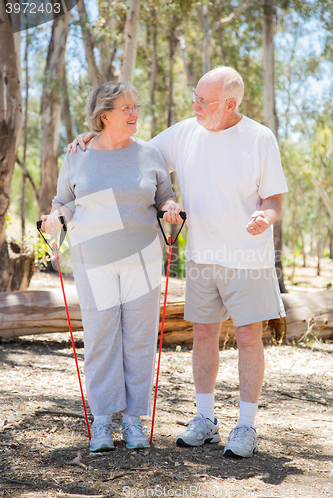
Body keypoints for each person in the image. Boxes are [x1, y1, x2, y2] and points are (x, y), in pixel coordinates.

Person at [69, 66, 288, 459]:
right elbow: (130, 152)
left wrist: (266, 218)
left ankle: (246, 425)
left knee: (248, 338)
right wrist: (91, 137)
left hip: (247, 258)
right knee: (203, 336)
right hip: (201, 257)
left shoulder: (259, 137)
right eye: (195, 96)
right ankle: (205, 420)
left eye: (204, 101)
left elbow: (274, 200)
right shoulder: (185, 131)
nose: (195, 105)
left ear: (230, 104)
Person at [41, 81, 182, 452]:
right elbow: (64, 201)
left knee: (138, 339)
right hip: (94, 260)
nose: (135, 113)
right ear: (104, 115)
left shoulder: (149, 154)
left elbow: (165, 196)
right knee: (102, 338)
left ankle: (134, 420)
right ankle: (103, 420)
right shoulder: (78, 155)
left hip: (143, 258)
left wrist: (169, 209)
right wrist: (55, 216)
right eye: (126, 108)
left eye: (136, 106)